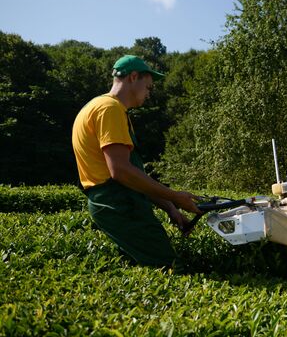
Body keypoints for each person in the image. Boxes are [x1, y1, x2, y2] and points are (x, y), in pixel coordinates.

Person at [72, 55, 201, 271]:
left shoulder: (104, 107)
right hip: (119, 204)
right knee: (171, 268)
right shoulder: (109, 109)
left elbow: (133, 176)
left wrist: (170, 208)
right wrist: (176, 196)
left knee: (144, 271)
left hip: (120, 202)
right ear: (133, 77)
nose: (149, 93)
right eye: (148, 87)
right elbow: (121, 172)